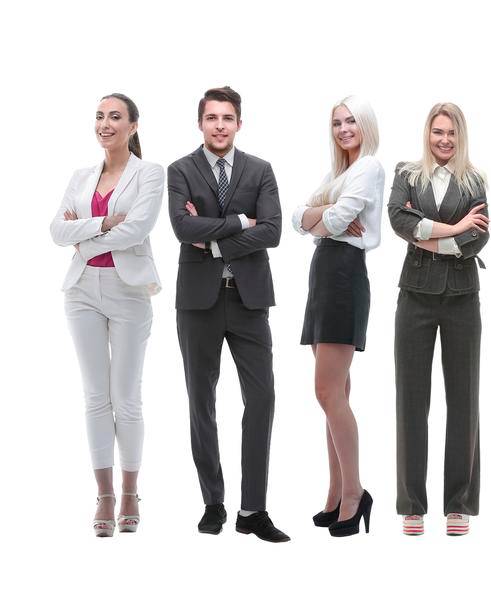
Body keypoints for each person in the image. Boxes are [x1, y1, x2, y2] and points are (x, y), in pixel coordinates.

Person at [167, 86, 291, 542]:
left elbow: (274, 231)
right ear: (200, 122)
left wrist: (213, 239)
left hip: (249, 300)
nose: (220, 125)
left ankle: (252, 510)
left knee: (262, 399)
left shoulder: (261, 170)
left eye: (228, 118)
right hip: (197, 302)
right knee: (202, 402)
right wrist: (242, 223)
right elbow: (182, 227)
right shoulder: (180, 170)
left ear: (240, 122)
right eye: (212, 118)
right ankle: (213, 503)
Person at [50, 93, 162, 538]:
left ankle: (131, 491)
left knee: (126, 396)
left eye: (115, 116)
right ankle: (105, 495)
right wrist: (102, 224)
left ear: (132, 126)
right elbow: (57, 230)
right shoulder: (80, 176)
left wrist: (84, 237)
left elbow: (138, 227)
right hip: (80, 291)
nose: (105, 123)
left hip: (129, 290)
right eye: (100, 116)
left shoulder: (149, 173)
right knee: (95, 395)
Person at [386, 103, 490, 537]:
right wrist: (453, 227)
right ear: (427, 134)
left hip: (462, 298)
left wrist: (426, 235)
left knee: (463, 400)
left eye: (451, 133)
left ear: (460, 136)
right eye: (437, 132)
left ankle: (459, 502)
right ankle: (413, 503)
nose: (444, 140)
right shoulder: (407, 173)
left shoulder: (475, 179)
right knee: (412, 400)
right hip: (415, 297)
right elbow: (397, 219)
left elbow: (479, 234)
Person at [290, 95, 384, 537]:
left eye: (351, 121)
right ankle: (336, 490)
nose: (344, 128)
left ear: (365, 125)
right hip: (324, 271)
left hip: (344, 274)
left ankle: (355, 492)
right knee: (336, 391)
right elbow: (296, 217)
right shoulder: (339, 173)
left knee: (328, 392)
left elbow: (341, 216)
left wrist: (320, 217)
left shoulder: (368, 167)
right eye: (336, 122)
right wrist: (320, 217)